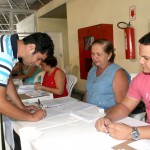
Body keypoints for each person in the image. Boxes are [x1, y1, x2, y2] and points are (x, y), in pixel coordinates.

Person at [95, 32, 150, 140]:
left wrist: (134, 132)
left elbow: (135, 132)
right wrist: (108, 118)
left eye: (146, 58)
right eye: (141, 56)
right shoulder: (141, 79)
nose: (141, 61)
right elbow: (125, 106)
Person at [0, 32, 54, 121]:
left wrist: (22, 107)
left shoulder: (7, 45)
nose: (37, 64)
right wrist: (31, 117)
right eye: (39, 58)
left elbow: (8, 81)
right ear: (31, 48)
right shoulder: (4, 55)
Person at [83, 39, 130, 112]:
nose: (94, 57)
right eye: (93, 54)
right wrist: (82, 107)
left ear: (109, 55)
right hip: (89, 111)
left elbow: (122, 105)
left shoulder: (118, 73)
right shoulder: (92, 70)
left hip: (107, 114)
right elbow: (88, 92)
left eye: (99, 54)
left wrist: (104, 114)